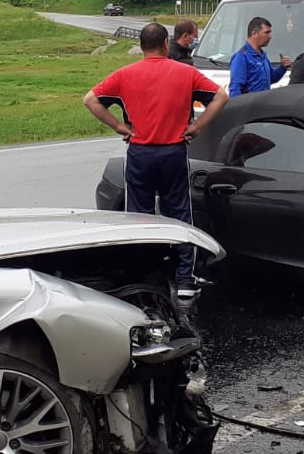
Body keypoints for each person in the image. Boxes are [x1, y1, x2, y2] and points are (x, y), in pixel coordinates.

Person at [83, 23, 229, 300]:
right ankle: (185, 279)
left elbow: (90, 99)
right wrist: (197, 127)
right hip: (174, 151)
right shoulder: (186, 72)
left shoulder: (125, 74)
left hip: (140, 153)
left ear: (140, 46)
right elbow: (221, 96)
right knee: (181, 216)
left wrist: (118, 126)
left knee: (139, 218)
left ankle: (144, 277)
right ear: (166, 44)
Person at [228, 16, 291, 95]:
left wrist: (283, 67)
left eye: (270, 32)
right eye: (267, 32)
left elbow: (271, 78)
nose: (270, 36)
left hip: (262, 104)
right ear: (254, 34)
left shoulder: (263, 55)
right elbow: (235, 88)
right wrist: (236, 106)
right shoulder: (241, 57)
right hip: (249, 106)